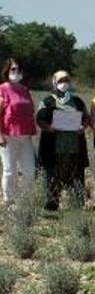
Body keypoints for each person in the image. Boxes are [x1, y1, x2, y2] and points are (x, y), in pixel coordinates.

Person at [36, 71, 89, 210]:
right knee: (53, 176)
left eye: (66, 80)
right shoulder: (47, 101)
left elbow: (86, 118)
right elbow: (40, 119)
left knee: (76, 175)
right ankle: (52, 203)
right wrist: (48, 127)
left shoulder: (77, 101)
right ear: (54, 82)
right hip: (53, 146)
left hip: (74, 146)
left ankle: (76, 204)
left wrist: (83, 127)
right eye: (60, 80)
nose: (63, 83)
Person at [0, 58, 37, 203]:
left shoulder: (24, 90)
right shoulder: (2, 89)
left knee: (29, 170)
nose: (16, 72)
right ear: (7, 71)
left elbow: (30, 111)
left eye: (19, 69)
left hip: (25, 137)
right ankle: (10, 201)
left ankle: (27, 200)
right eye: (13, 69)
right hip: (7, 137)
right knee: (10, 171)